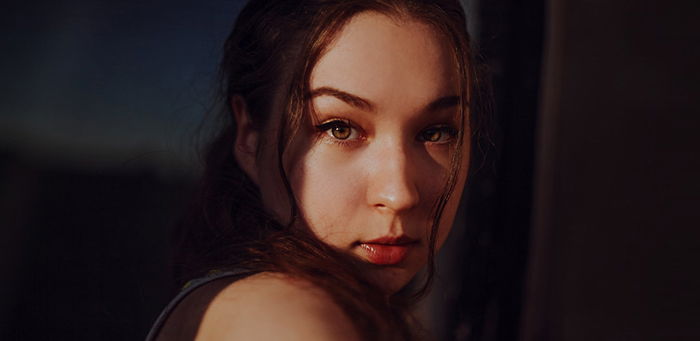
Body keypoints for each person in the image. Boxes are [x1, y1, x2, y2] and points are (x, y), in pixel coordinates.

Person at [147, 0, 489, 339]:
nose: (398, 195)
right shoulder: (283, 319)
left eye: (436, 133)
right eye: (339, 129)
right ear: (251, 137)